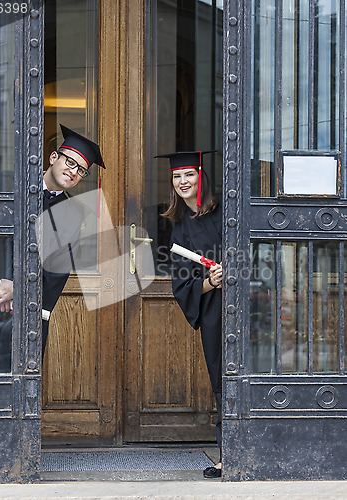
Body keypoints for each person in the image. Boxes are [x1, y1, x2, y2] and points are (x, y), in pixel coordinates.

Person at [0, 124, 105, 366]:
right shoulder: (10, 184)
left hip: (28, 313)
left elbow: (56, 273)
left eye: (81, 170)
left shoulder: (74, 215)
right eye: (70, 162)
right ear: (53, 158)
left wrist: (17, 289)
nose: (74, 172)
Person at [158, 151, 223, 479]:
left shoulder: (226, 209)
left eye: (189, 175)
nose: (182, 182)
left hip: (247, 306)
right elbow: (182, 283)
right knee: (221, 376)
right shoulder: (180, 228)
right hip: (213, 309)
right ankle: (228, 454)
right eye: (176, 177)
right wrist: (212, 281)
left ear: (202, 176)